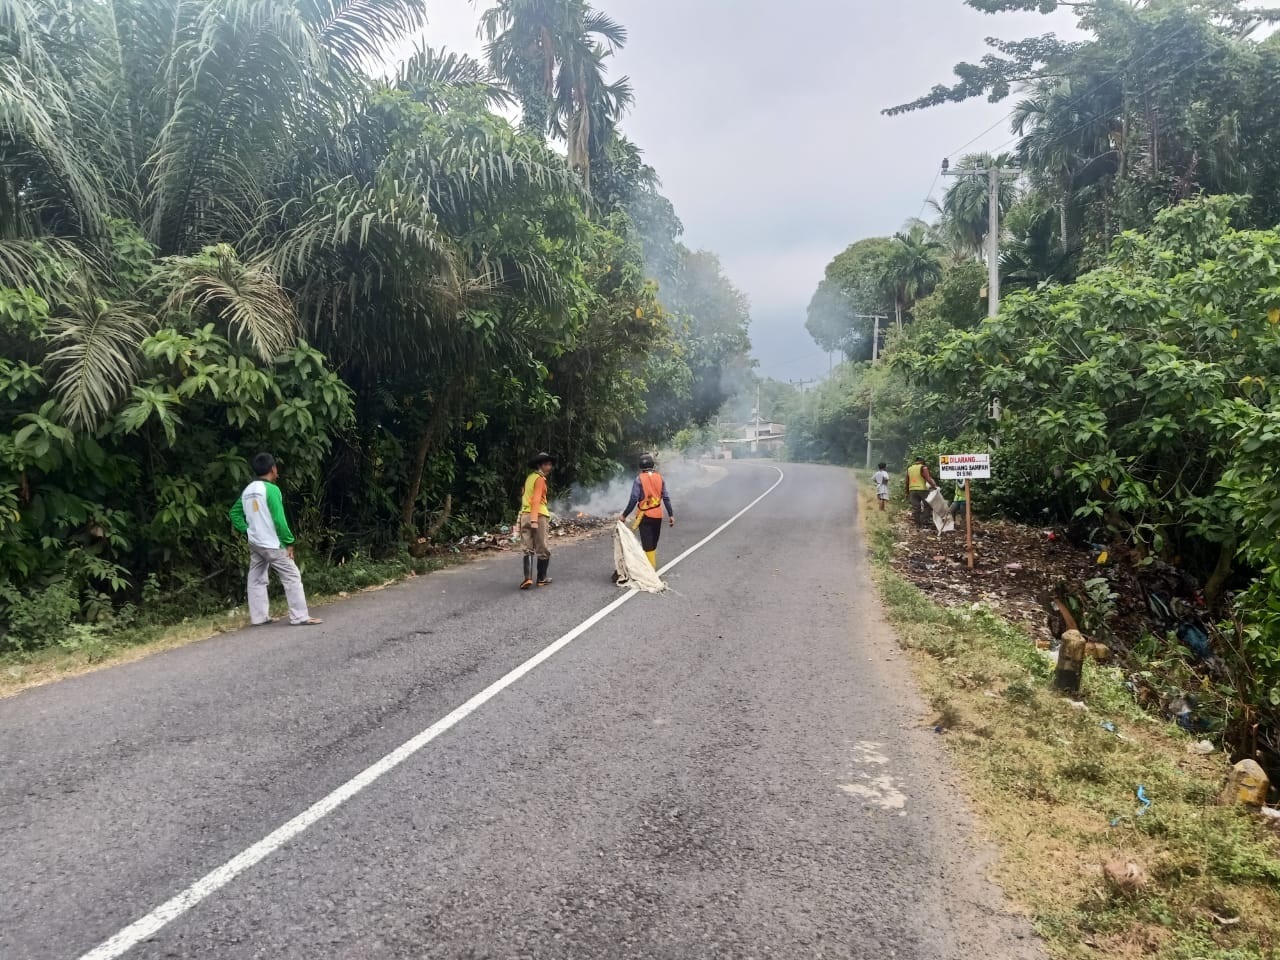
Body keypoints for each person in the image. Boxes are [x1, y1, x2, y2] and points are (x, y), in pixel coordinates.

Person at [229, 453, 321, 626]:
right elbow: (279, 520)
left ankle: (259, 617)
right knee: (292, 575)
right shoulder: (271, 490)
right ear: (273, 469)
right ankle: (300, 616)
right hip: (272, 543)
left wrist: (247, 531)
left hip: (255, 542)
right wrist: (289, 542)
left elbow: (234, 513)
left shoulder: (248, 490)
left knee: (256, 578)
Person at [620, 453, 675, 569]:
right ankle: (650, 564)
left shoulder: (639, 479)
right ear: (652, 465)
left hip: (644, 516)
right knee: (653, 542)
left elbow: (634, 499)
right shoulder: (660, 477)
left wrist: (624, 515)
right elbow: (665, 497)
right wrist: (671, 515)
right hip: (657, 515)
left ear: (640, 466)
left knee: (648, 544)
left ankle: (650, 569)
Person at [518, 452, 555, 589]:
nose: (549, 467)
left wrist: (521, 518)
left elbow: (524, 497)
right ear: (540, 465)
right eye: (546, 464)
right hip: (538, 515)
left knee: (527, 547)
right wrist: (534, 520)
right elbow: (536, 499)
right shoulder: (540, 479)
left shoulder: (529, 478)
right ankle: (541, 578)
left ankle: (527, 578)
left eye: (550, 464)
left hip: (525, 515)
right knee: (542, 547)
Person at [905, 456, 938, 527]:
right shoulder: (923, 467)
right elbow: (928, 478)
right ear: (922, 461)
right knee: (928, 505)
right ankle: (924, 521)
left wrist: (907, 491)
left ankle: (917, 524)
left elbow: (907, 481)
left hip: (912, 490)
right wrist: (934, 486)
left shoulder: (909, 469)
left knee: (916, 507)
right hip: (922, 490)